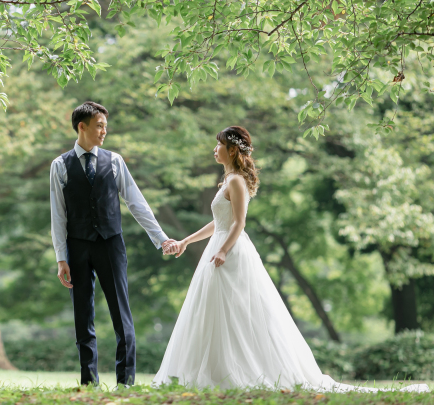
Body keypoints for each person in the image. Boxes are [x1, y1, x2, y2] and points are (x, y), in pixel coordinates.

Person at [157, 126, 429, 393]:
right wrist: (185, 242)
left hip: (231, 252)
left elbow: (239, 222)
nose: (214, 150)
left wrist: (224, 250)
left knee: (236, 311)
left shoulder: (237, 181)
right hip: (219, 246)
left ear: (231, 150)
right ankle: (215, 369)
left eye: (218, 145)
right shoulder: (227, 181)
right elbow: (219, 223)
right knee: (214, 310)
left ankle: (241, 368)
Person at [50, 101, 175, 386]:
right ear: (82, 127)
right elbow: (58, 215)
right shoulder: (59, 165)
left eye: (106, 126)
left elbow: (136, 203)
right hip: (77, 247)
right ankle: (88, 382)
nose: (104, 131)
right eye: (99, 126)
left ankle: (126, 382)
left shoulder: (115, 161)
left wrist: (161, 238)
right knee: (83, 316)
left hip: (111, 244)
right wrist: (61, 258)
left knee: (121, 314)